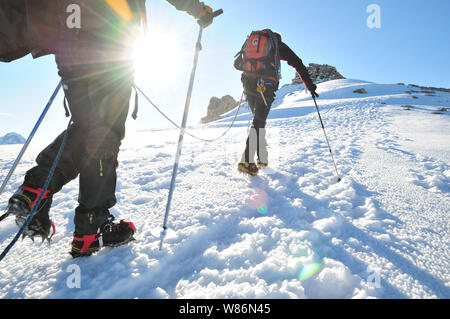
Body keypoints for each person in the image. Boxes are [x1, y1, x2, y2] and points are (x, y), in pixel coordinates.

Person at [5, 0, 216, 258]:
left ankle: (35, 191)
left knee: (88, 129)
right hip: (110, 46)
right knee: (104, 135)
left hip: (71, 47)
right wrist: (199, 10)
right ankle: (89, 230)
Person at [234, 29, 319, 176]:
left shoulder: (250, 42)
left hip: (248, 82)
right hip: (265, 84)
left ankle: (262, 157)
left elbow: (237, 64)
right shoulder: (276, 43)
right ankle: (247, 160)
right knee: (259, 120)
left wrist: (252, 68)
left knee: (258, 119)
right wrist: (309, 85)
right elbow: (297, 63)